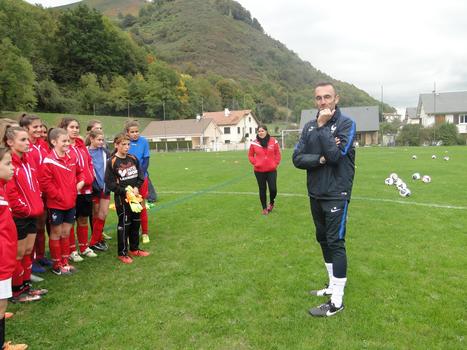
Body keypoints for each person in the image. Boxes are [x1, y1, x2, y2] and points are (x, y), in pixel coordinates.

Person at [292, 82, 356, 317]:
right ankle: (332, 286)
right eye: (318, 98)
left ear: (336, 99)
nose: (323, 102)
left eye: (327, 97)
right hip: (315, 192)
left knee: (335, 242)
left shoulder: (346, 124)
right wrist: (319, 159)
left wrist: (322, 129)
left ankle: (337, 301)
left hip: (337, 192)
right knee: (322, 239)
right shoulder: (309, 126)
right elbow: (297, 158)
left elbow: (336, 156)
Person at [4, 126, 47, 302]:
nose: (27, 143)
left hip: (32, 213)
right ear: (10, 142)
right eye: (23, 140)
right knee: (19, 254)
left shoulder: (27, 160)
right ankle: (16, 292)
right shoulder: (10, 164)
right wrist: (27, 209)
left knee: (29, 251)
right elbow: (12, 194)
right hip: (20, 216)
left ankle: (26, 286)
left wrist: (37, 204)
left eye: (27, 139)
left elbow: (35, 186)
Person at [39, 128, 85, 275]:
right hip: (56, 204)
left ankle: (65, 261)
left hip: (71, 202)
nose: (67, 143)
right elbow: (45, 183)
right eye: (64, 141)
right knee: (56, 232)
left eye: (68, 141)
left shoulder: (71, 157)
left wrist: (81, 181)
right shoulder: (48, 161)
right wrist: (59, 196)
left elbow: (80, 171)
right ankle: (56, 264)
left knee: (66, 232)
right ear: (53, 142)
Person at [0, 143, 29, 350]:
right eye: (8, 164)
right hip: (1, 259)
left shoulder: (2, 188)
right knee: (1, 303)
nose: (13, 168)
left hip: (5, 256)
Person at [105, 133, 149, 264]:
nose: (127, 147)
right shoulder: (111, 162)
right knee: (125, 224)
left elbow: (141, 175)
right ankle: (122, 253)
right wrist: (125, 191)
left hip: (135, 196)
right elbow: (110, 183)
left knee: (136, 222)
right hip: (122, 199)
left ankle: (134, 249)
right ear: (116, 145)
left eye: (128, 144)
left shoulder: (133, 158)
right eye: (123, 144)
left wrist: (136, 187)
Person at [58, 118, 97, 262]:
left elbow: (89, 164)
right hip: (73, 191)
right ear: (64, 129)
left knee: (83, 219)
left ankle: (84, 247)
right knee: (70, 222)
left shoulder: (81, 146)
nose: (75, 130)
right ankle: (71, 250)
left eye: (77, 127)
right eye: (71, 127)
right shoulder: (64, 148)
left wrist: (90, 176)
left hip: (86, 190)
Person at [19, 114, 51, 274]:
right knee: (32, 227)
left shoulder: (43, 145)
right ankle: (29, 260)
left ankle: (40, 255)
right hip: (32, 193)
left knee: (41, 225)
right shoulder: (25, 148)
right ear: (25, 129)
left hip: (45, 191)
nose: (39, 130)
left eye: (40, 126)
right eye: (35, 127)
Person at [125, 120, 151, 243]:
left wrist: (140, 176)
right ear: (127, 133)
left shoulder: (144, 141)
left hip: (141, 179)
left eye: (137, 131)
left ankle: (145, 232)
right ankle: (131, 234)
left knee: (142, 205)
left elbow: (146, 160)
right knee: (130, 206)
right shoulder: (125, 143)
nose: (135, 134)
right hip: (128, 179)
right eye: (132, 132)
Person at [248, 125, 281, 215]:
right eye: (259, 131)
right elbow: (250, 155)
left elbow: (277, 153)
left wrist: (276, 163)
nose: (260, 133)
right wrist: (255, 163)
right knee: (262, 189)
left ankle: (271, 203)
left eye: (262, 131)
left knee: (273, 189)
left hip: (271, 170)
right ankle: (264, 208)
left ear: (266, 131)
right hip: (259, 171)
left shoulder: (273, 141)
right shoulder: (254, 143)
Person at [87, 129, 110, 251]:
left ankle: (94, 240)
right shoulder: (85, 152)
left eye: (102, 140)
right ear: (91, 139)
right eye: (99, 140)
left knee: (103, 213)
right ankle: (96, 240)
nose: (101, 142)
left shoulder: (106, 152)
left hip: (105, 187)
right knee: (95, 214)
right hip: (93, 188)